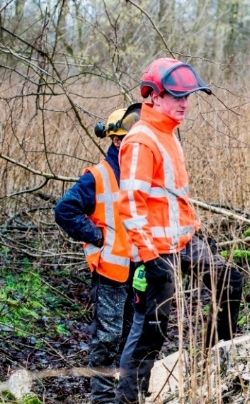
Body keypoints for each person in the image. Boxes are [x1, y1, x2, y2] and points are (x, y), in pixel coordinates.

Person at [115, 58, 243, 403]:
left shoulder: (169, 132)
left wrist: (198, 231)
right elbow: (131, 204)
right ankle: (129, 399)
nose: (184, 103)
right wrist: (148, 257)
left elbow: (175, 197)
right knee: (151, 331)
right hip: (156, 251)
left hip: (185, 242)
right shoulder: (142, 140)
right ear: (154, 96)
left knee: (229, 281)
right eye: (176, 96)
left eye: (187, 96)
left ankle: (211, 365)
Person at [54, 104, 141, 403]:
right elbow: (64, 210)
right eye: (131, 139)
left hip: (137, 268)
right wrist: (97, 236)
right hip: (110, 271)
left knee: (131, 335)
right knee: (107, 337)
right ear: (116, 140)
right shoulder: (98, 176)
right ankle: (102, 398)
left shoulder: (137, 174)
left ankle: (125, 393)